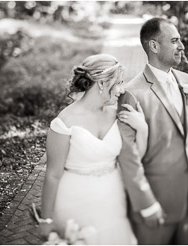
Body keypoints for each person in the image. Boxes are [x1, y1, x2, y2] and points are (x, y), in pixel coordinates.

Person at [117, 17, 188, 244]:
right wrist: (146, 204)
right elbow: (128, 156)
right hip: (157, 205)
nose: (182, 46)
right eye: (174, 40)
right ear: (154, 46)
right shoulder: (132, 93)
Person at [39, 54, 143, 244]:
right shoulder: (64, 123)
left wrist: (142, 126)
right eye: (118, 83)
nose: (121, 90)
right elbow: (52, 175)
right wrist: (46, 219)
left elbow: (138, 155)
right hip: (75, 203)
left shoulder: (117, 114)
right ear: (102, 83)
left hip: (114, 200)